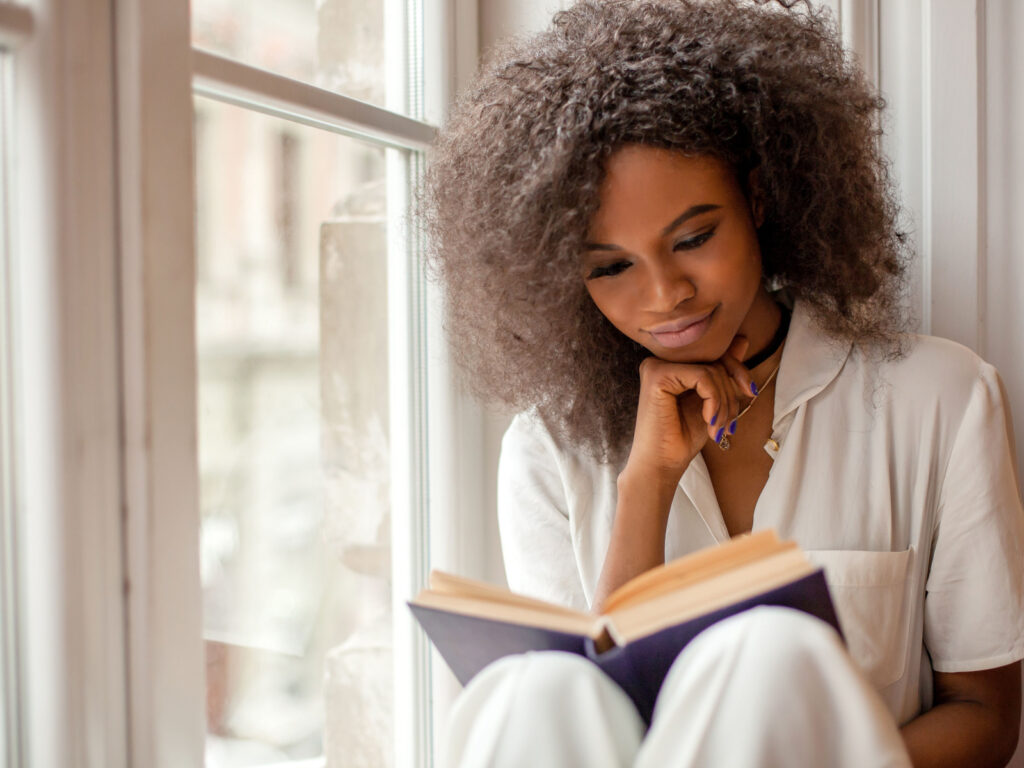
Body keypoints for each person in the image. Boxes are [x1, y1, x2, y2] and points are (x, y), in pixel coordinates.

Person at [419, 0, 1024, 765]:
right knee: (531, 690)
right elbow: (582, 726)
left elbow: (986, 712)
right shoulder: (548, 450)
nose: (665, 294)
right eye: (610, 267)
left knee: (766, 653)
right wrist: (647, 481)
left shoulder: (940, 398)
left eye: (694, 238)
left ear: (759, 199)